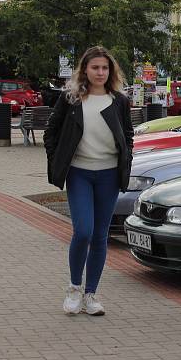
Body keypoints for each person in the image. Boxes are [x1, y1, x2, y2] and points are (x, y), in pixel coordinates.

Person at [44, 46, 134, 316]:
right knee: (83, 231)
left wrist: (126, 161)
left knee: (99, 236)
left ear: (111, 71)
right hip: (79, 173)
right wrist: (58, 160)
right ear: (85, 69)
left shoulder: (119, 100)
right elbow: (51, 132)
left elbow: (127, 135)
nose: (100, 72)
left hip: (108, 175)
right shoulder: (71, 99)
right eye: (95, 67)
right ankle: (73, 288)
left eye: (105, 68)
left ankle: (91, 294)